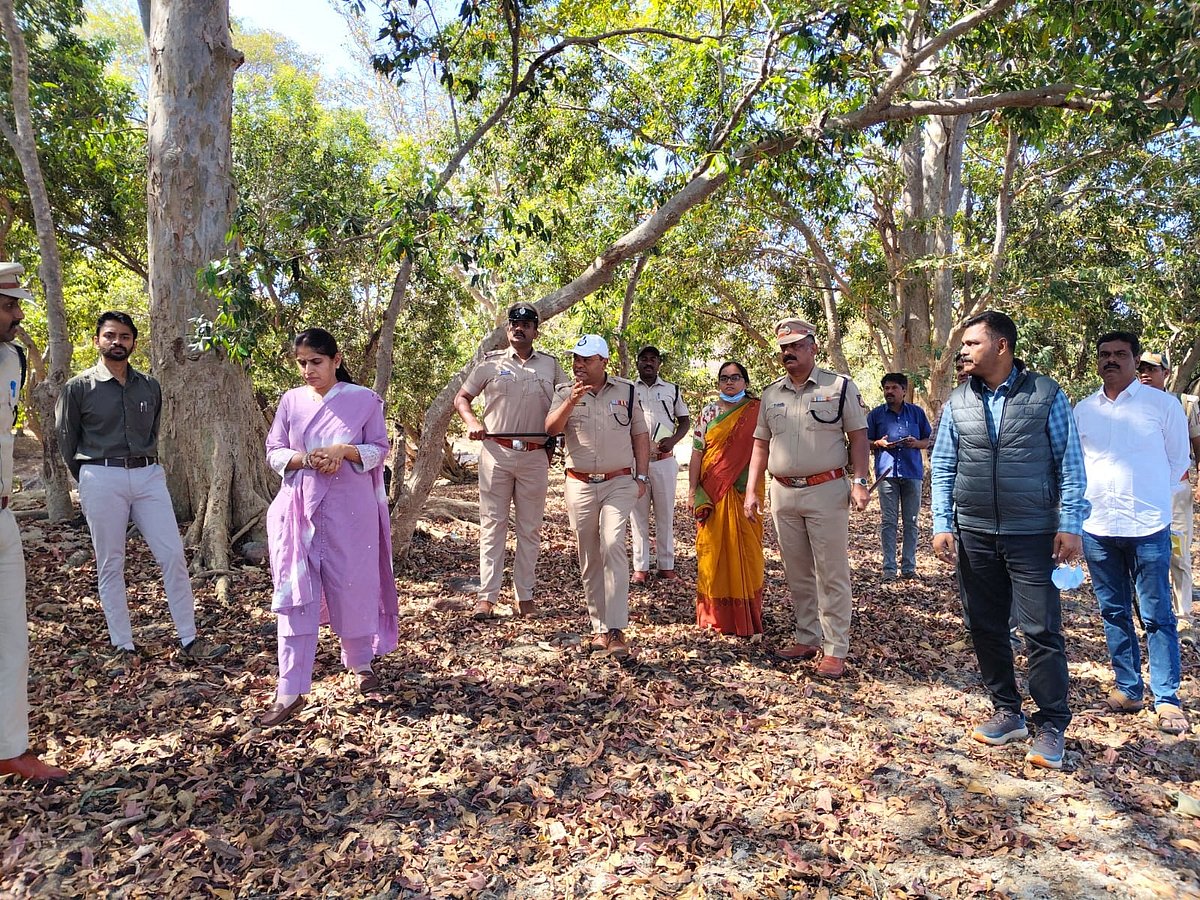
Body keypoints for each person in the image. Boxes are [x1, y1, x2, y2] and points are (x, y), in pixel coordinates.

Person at [931, 310, 1087, 770]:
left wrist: (1070, 523)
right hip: (975, 532)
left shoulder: (1046, 394)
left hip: (1032, 532)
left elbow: (1070, 463)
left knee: (1041, 631)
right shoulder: (958, 401)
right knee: (985, 625)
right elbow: (944, 466)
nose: (963, 351)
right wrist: (942, 523)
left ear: (1001, 346)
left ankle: (1052, 723)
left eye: (972, 343)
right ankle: (1007, 711)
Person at [55, 312, 227, 662]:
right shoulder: (78, 387)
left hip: (148, 476)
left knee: (173, 555)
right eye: (110, 335)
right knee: (111, 562)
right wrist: (89, 477)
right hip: (101, 476)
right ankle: (123, 645)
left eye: (124, 336)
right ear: (97, 340)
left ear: (134, 342)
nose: (117, 342)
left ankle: (190, 639)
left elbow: (153, 430)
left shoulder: (149, 386)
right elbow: (66, 439)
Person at [261, 328, 398, 726]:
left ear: (336, 360)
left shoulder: (364, 400)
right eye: (302, 363)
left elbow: (379, 449)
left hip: (350, 511)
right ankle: (290, 689)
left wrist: (344, 451)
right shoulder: (291, 401)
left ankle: (361, 663)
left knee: (353, 585)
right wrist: (305, 459)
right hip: (298, 509)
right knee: (295, 592)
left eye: (316, 362)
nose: (308, 370)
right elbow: (274, 451)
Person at [1076, 333, 1190, 735]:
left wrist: (1151, 498)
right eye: (1104, 354)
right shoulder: (1083, 409)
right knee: (1113, 612)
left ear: (1135, 359)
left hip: (1148, 526)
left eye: (1120, 354)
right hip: (1098, 527)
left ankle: (1167, 697)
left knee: (1157, 615)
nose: (1111, 360)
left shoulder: (1163, 406)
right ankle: (1128, 688)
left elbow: (1178, 460)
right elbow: (1076, 465)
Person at [744, 318, 871, 679]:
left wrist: (860, 481)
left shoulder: (839, 386)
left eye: (797, 346)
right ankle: (807, 637)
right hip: (783, 492)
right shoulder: (771, 394)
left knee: (831, 571)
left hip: (825, 490)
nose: (789, 352)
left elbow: (859, 437)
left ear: (813, 348)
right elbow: (761, 445)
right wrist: (752, 490)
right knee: (797, 571)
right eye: (784, 348)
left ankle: (835, 648)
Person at [454, 304, 567, 619]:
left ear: (535, 331)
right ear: (507, 329)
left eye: (527, 324)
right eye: (515, 323)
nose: (520, 328)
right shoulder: (490, 363)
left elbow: (568, 401)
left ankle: (524, 597)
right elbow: (462, 398)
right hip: (496, 454)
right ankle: (487, 597)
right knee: (493, 526)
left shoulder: (551, 366)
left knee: (530, 529)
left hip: (535, 456)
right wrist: (471, 422)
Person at [0, 262, 68, 783]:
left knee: (10, 637)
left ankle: (10, 747)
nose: (17, 316)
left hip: (3, 514)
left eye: (16, 306)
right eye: (8, 306)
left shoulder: (13, 358)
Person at [545, 335, 649, 657]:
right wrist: (570, 401)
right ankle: (600, 628)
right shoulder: (564, 392)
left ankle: (617, 629)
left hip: (619, 482)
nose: (578, 365)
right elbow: (550, 429)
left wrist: (642, 477)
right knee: (589, 554)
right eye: (576, 358)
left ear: (603, 362)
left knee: (612, 542)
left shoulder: (626, 391)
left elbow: (640, 435)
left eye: (586, 359)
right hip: (579, 484)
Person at [689, 361, 763, 637]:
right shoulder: (708, 412)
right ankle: (713, 616)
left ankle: (747, 615)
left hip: (747, 491)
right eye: (724, 378)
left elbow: (763, 450)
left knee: (748, 552)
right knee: (711, 552)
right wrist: (692, 491)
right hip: (712, 492)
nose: (729, 382)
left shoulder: (757, 411)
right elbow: (697, 452)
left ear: (745, 381)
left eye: (735, 377)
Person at [1137, 350, 1200, 644]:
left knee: (1178, 552)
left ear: (1166, 373)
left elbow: (1197, 445)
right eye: (1141, 369)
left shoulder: (1184, 405)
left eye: (1152, 369)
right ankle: (1152, 615)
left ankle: (1183, 616)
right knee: (1146, 555)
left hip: (1176, 492)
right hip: (1141, 492)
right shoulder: (1129, 404)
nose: (1145, 374)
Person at [631, 346, 690, 585]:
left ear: (658, 364)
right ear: (637, 362)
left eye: (653, 359)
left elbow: (684, 421)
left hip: (664, 461)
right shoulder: (628, 389)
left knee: (665, 515)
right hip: (636, 462)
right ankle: (641, 568)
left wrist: (673, 440)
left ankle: (666, 566)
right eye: (644, 359)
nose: (648, 363)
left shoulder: (671, 390)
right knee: (638, 516)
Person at [866, 373, 931, 581]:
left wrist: (916, 443)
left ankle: (909, 567)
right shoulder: (876, 415)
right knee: (889, 522)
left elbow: (928, 439)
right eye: (886, 388)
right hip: (887, 474)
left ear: (904, 390)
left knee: (911, 522)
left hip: (912, 472)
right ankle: (889, 569)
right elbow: (864, 442)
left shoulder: (916, 413)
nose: (889, 392)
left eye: (894, 388)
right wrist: (878, 443)